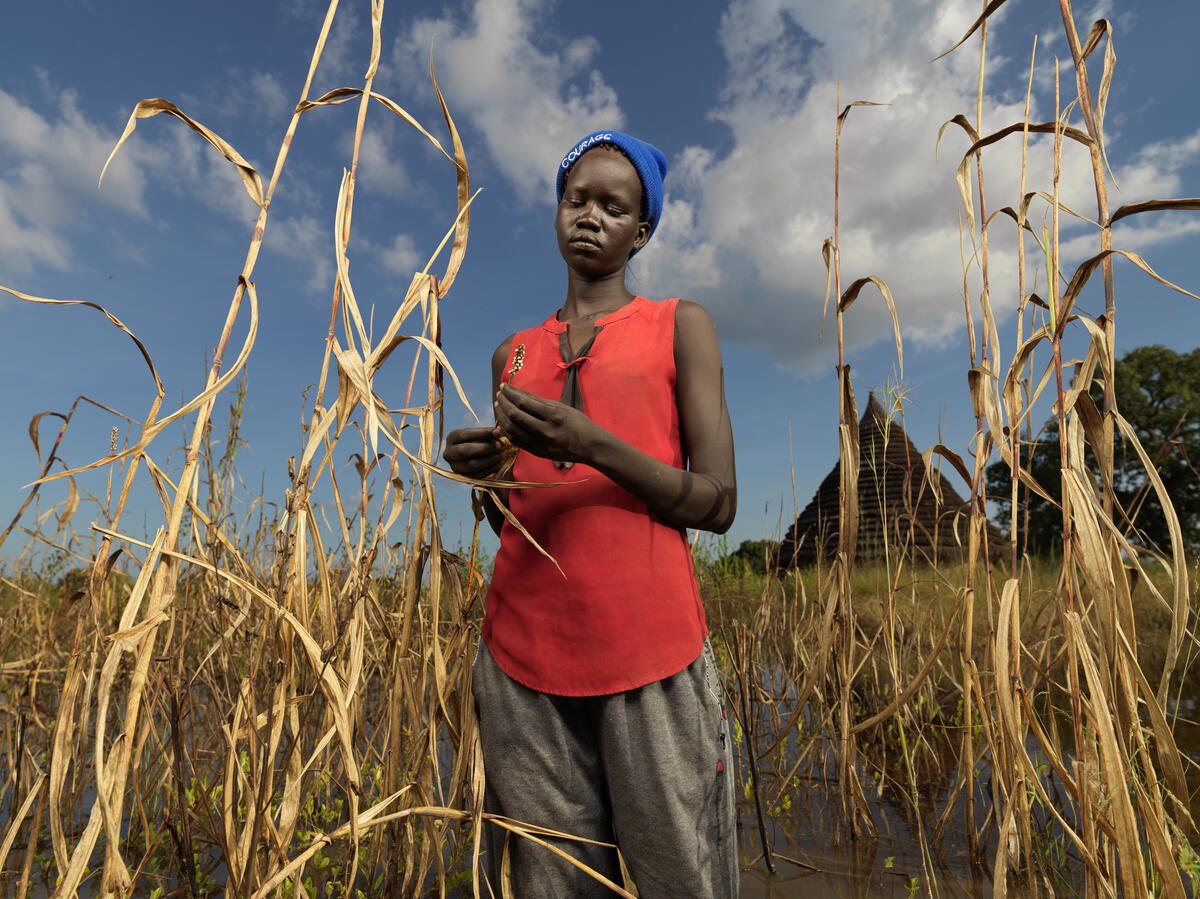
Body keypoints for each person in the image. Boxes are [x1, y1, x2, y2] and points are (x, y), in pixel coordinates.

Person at [443, 129, 738, 898]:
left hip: (651, 652)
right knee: (554, 883)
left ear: (641, 231)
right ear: (556, 213)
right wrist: (486, 481)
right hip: (522, 660)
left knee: (682, 875)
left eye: (615, 206)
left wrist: (597, 445)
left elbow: (719, 502)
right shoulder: (512, 353)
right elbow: (519, 525)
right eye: (578, 199)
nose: (591, 216)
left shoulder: (680, 324)